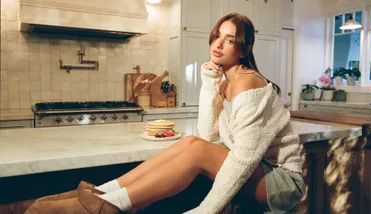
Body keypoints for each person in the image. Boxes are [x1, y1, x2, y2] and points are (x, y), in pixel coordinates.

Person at [24, 13, 305, 214]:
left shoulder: (248, 81)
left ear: (244, 49)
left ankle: (112, 204)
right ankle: (104, 194)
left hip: (280, 182)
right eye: (217, 35)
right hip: (259, 174)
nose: (218, 44)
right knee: (190, 143)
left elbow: (243, 159)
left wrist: (206, 210)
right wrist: (209, 84)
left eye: (229, 40)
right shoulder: (225, 83)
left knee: (195, 150)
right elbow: (208, 135)